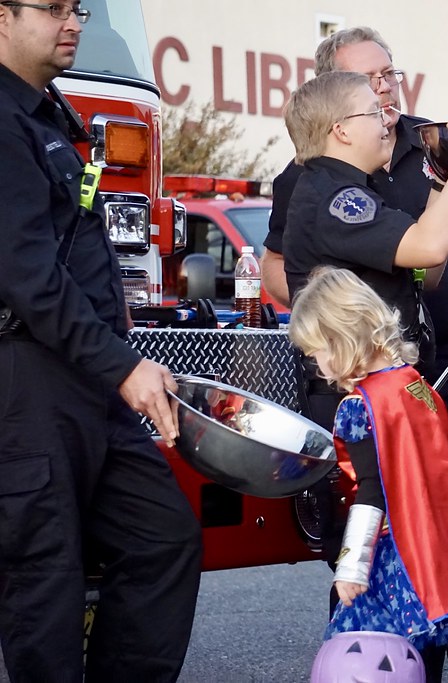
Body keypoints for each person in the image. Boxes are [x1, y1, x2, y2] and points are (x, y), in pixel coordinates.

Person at [281, 68, 448, 683]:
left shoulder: (359, 188)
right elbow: (425, 250)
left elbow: (430, 271)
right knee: (384, 586)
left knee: (429, 552)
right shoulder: (333, 195)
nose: (388, 116)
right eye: (372, 110)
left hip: (400, 391)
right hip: (368, 405)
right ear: (340, 130)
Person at [0, 3, 202, 681]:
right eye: (52, 8)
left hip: (89, 377)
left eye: (79, 10)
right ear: (2, 16)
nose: (75, 23)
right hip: (28, 382)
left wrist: (121, 362)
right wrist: (125, 368)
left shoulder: (49, 114)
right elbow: (29, 281)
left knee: (164, 536)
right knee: (45, 582)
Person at [288, 266, 448, 651]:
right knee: (423, 650)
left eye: (316, 352)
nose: (317, 367)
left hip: (392, 552)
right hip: (437, 543)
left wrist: (352, 565)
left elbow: (372, 490)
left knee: (360, 654)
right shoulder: (415, 385)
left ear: (340, 339)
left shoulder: (359, 408)